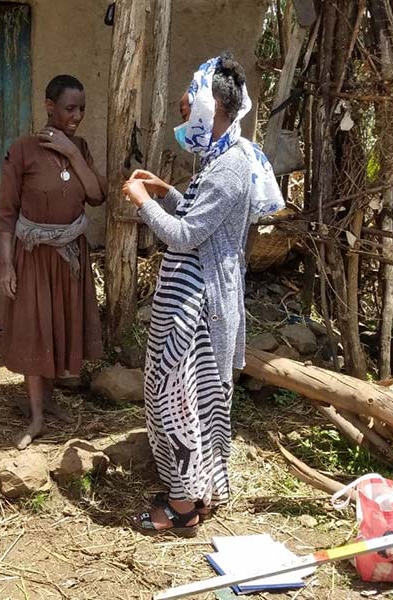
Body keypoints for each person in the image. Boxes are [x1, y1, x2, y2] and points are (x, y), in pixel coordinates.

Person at [122, 54, 283, 536]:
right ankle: (200, 491)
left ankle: (182, 507)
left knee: (174, 399)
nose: (181, 106)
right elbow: (202, 215)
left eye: (188, 99)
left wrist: (142, 202)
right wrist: (167, 189)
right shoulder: (223, 157)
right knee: (201, 400)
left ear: (210, 109)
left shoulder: (228, 166)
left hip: (195, 308)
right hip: (196, 298)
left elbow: (187, 235)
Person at [0, 74, 106, 450]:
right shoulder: (23, 150)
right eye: (69, 108)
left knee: (59, 327)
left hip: (69, 256)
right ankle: (36, 416)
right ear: (49, 106)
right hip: (34, 257)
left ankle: (49, 402)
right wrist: (7, 265)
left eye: (82, 109)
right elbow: (6, 213)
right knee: (35, 330)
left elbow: (97, 195)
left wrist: (72, 152)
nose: (76, 116)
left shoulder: (80, 147)